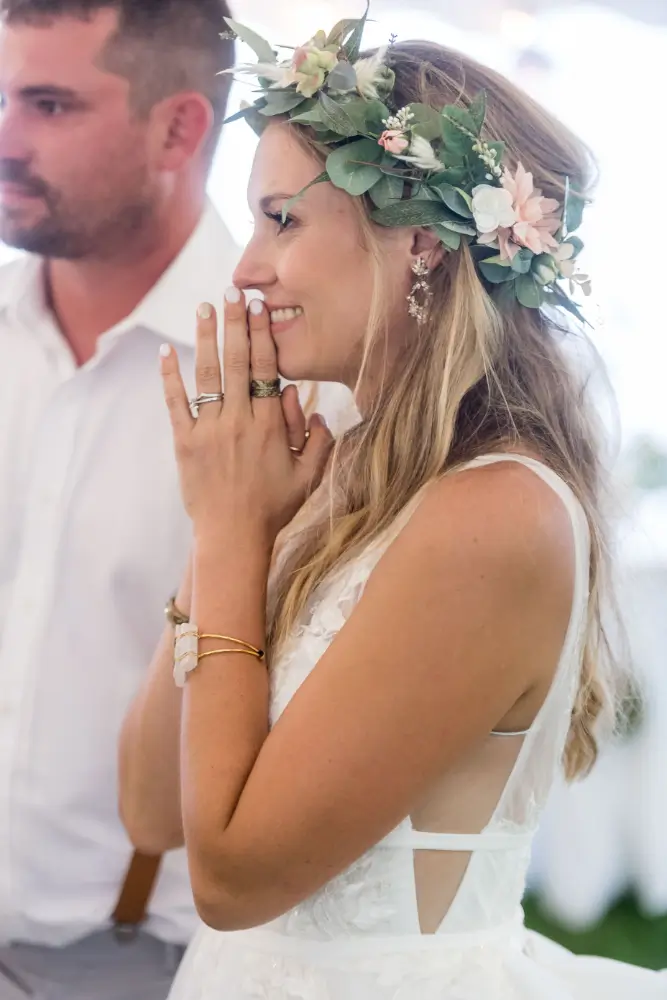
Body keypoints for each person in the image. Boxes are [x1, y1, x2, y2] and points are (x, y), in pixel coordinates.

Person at [119, 10, 667, 1000]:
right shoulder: (337, 472)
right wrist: (224, 539)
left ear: (417, 243)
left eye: (280, 218)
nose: (245, 268)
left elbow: (232, 875)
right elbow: (154, 810)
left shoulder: (496, 518)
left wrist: (232, 535)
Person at [0, 1, 241, 997]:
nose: (5, 139)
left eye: (48, 104)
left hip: (147, 958)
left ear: (178, 129)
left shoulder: (286, 377)